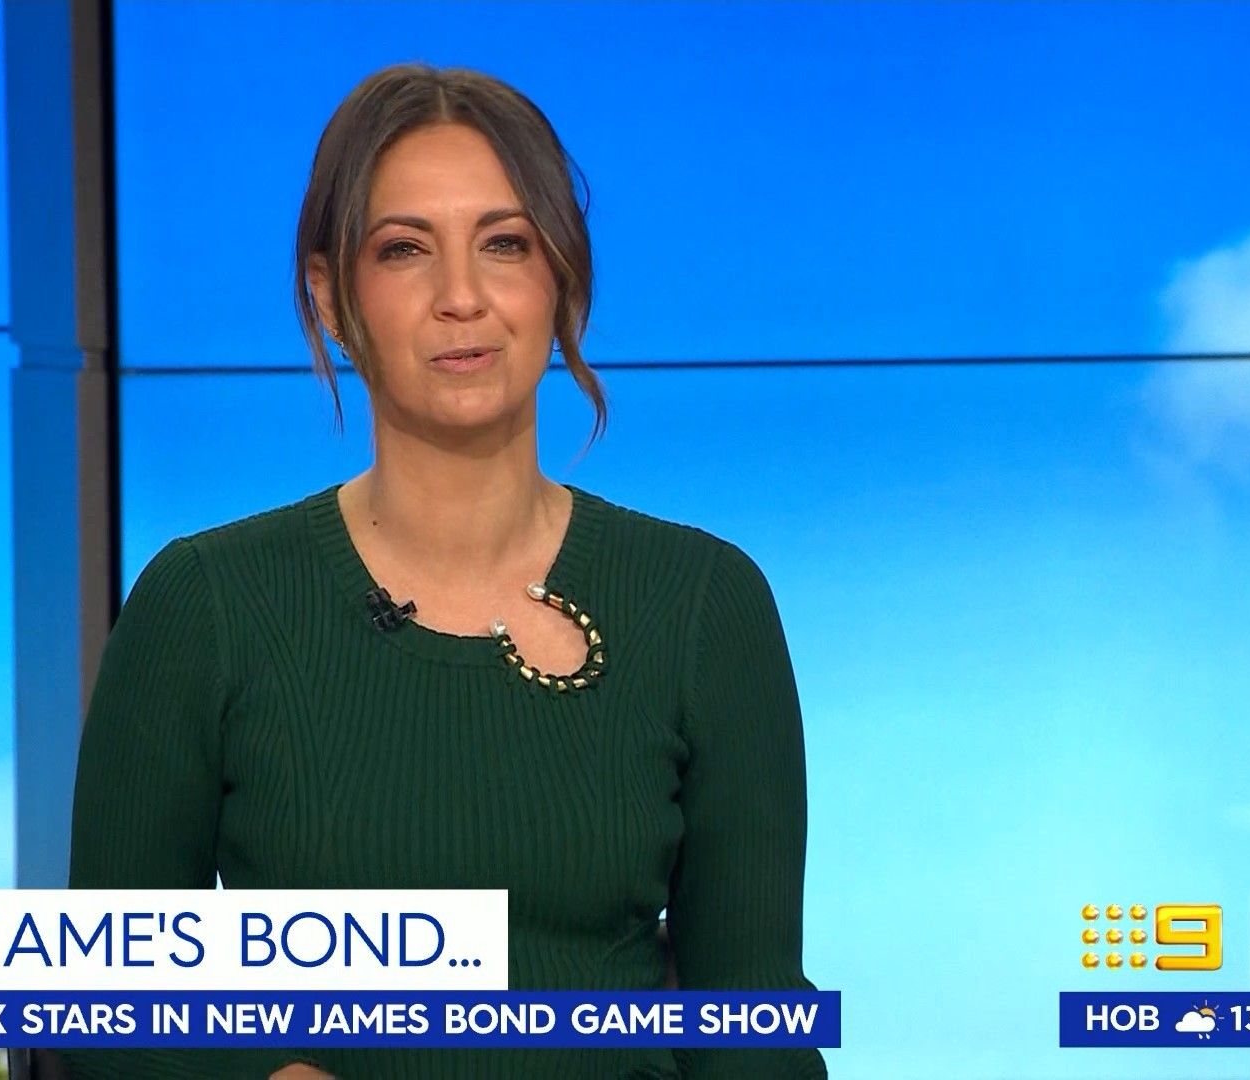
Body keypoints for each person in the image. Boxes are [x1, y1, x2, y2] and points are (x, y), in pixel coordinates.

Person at [63, 62, 823, 1080]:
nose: (461, 297)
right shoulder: (206, 606)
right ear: (331, 297)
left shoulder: (701, 603)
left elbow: (755, 1031)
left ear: (561, 281)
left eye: (505, 244)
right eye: (404, 249)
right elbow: (110, 1016)